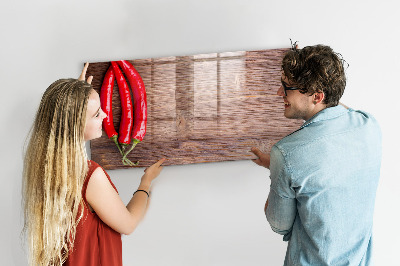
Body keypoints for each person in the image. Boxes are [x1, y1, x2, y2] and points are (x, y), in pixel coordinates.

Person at [22, 63, 165, 266]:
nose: (105, 116)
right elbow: (128, 223)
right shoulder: (90, 176)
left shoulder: (43, 167)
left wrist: (76, 97)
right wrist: (146, 182)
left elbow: (64, 119)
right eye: (97, 114)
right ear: (75, 125)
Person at [251, 44, 382, 265]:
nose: (279, 92)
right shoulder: (369, 125)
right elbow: (337, 109)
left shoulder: (286, 154)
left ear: (317, 96)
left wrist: (278, 169)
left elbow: (279, 224)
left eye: (287, 86)